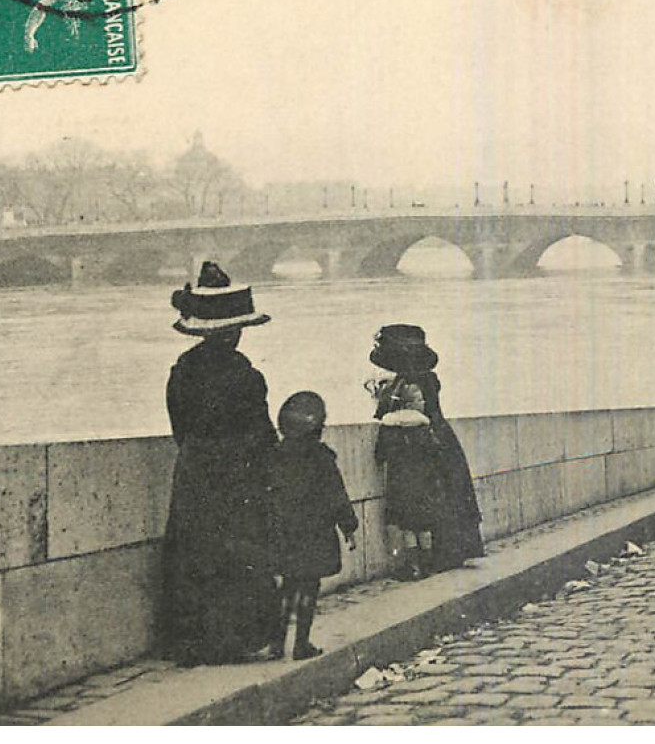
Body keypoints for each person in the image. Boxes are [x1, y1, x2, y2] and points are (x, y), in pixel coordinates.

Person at [161, 262, 279, 666]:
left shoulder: (182, 371)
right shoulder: (246, 375)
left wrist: (199, 453)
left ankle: (192, 639)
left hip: (195, 470)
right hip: (239, 474)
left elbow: (179, 425)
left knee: (194, 552)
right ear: (233, 331)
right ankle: (237, 637)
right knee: (238, 554)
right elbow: (262, 432)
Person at [366, 325, 484, 579]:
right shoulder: (428, 379)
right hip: (438, 440)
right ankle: (441, 556)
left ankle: (419, 562)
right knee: (441, 499)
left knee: (414, 510)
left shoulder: (404, 384)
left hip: (411, 447)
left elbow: (383, 416)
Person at [268, 391, 358, 661]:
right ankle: (301, 644)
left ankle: (276, 645)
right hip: (315, 533)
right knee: (309, 586)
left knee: (287, 585)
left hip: (284, 531)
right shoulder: (321, 458)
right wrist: (349, 527)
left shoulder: (275, 456)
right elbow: (337, 496)